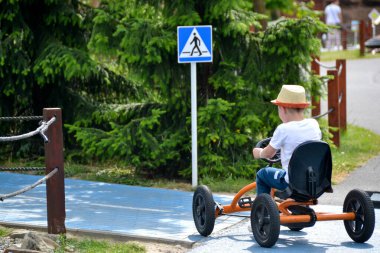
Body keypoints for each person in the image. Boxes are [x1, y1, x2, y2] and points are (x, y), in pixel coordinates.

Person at [252, 85, 322, 195]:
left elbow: (269, 154)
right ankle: (298, 204)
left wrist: (258, 152)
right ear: (303, 108)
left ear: (282, 108)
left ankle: (262, 208)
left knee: (262, 174)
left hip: (292, 183)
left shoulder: (283, 129)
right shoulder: (313, 124)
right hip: (315, 181)